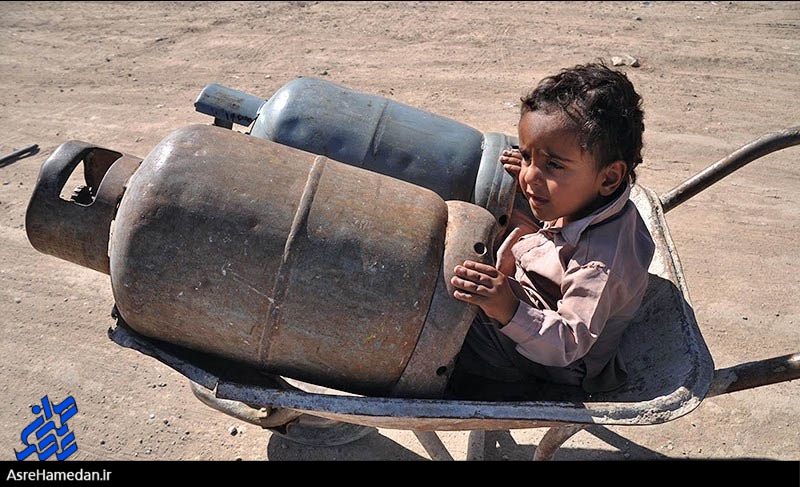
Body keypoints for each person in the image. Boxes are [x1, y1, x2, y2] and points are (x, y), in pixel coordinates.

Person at [447, 62, 656, 399]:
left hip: (551, 364)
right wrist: (536, 172)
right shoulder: (583, 199)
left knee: (446, 312)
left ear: (609, 178)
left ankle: (464, 387)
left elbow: (567, 345)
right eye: (528, 156)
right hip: (538, 295)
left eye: (553, 165)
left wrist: (506, 307)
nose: (530, 175)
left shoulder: (597, 265)